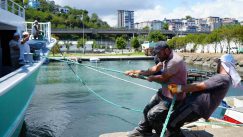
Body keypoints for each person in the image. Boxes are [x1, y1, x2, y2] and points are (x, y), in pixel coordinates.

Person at [166, 54, 242, 137]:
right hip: (196, 107)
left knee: (171, 124)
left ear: (223, 64)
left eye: (219, 63)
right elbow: (203, 85)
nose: (217, 65)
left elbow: (199, 86)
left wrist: (178, 88)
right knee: (173, 122)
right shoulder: (226, 79)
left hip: (195, 107)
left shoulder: (222, 78)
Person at [125, 41, 187, 136]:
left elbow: (163, 78)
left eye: (159, 53)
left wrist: (147, 78)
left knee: (153, 115)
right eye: (156, 54)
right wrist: (135, 71)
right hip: (164, 92)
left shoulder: (174, 61)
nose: (158, 56)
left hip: (174, 97)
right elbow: (154, 69)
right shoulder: (166, 57)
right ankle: (143, 130)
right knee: (147, 109)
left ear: (166, 50)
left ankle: (164, 134)